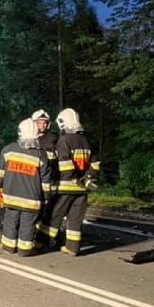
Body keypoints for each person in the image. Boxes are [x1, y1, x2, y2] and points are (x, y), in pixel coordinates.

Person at [39, 108, 100, 256]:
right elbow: (95, 163)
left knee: (53, 215)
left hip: (66, 186)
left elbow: (64, 164)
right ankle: (72, 247)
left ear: (63, 123)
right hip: (82, 189)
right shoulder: (86, 141)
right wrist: (87, 179)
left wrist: (73, 178)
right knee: (75, 219)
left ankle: (41, 242)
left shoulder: (64, 140)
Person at [0, 118, 53, 256]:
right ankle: (25, 250)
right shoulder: (41, 155)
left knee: (10, 220)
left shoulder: (8, 150)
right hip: (31, 200)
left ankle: (9, 246)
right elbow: (46, 181)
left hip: (10, 197)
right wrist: (46, 197)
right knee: (28, 224)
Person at [31, 109, 59, 237]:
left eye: (44, 123)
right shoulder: (30, 139)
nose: (41, 125)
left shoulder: (52, 139)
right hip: (32, 180)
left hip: (48, 179)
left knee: (47, 210)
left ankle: (44, 236)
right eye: (39, 123)